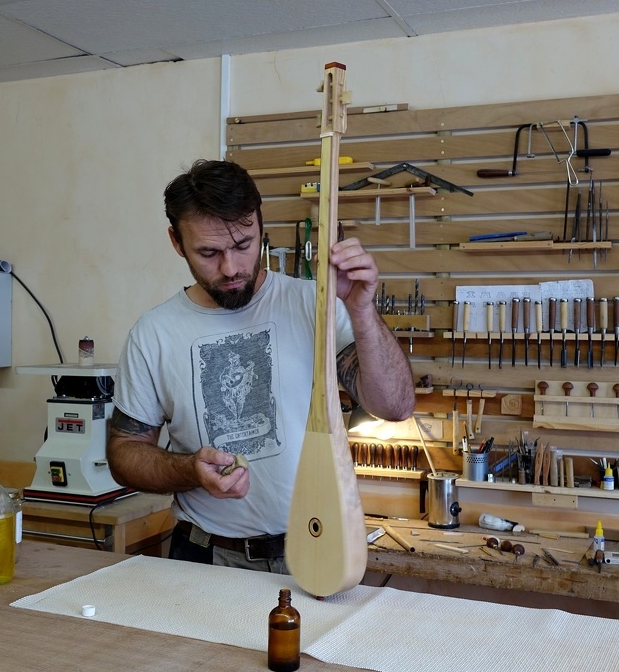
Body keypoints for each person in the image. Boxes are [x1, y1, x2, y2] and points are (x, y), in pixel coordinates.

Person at [107, 159, 415, 573]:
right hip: (204, 558)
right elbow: (125, 455)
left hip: (315, 549)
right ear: (176, 243)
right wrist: (190, 470)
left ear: (260, 225)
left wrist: (360, 310)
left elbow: (395, 406)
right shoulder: (153, 334)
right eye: (209, 252)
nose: (231, 268)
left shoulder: (314, 305)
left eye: (243, 245)